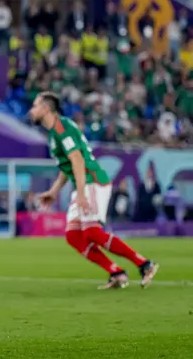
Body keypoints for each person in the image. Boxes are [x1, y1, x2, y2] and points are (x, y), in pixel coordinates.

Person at [30, 92, 159, 290]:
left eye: (35, 105)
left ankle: (144, 263)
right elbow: (68, 167)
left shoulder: (61, 127)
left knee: (92, 232)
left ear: (46, 109)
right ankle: (116, 272)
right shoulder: (55, 132)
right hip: (84, 183)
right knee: (73, 235)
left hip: (92, 181)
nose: (32, 110)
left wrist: (81, 194)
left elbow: (78, 160)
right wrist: (54, 191)